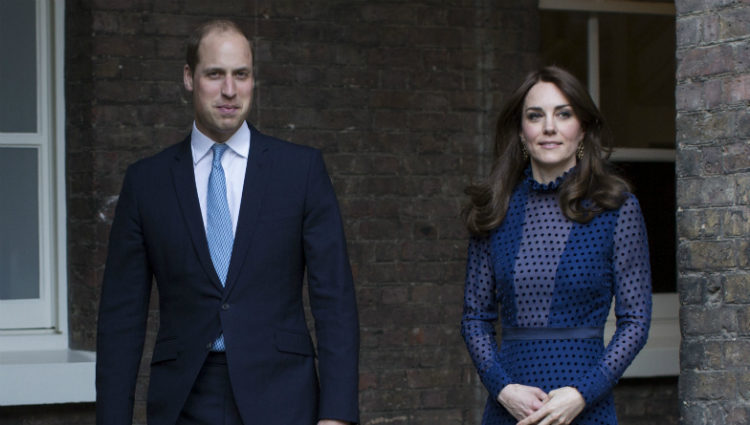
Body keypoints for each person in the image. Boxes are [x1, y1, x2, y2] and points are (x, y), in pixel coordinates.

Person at [96, 20, 359, 425]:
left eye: (242, 74)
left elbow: (335, 301)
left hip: (283, 397)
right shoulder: (147, 182)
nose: (230, 91)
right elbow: (121, 317)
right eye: (215, 74)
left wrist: (337, 416)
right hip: (183, 400)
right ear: (189, 78)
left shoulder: (300, 170)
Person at [461, 66, 652, 425]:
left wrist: (583, 393)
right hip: (510, 409)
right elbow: (475, 317)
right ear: (521, 131)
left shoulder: (616, 209)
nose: (549, 127)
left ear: (581, 129)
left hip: (584, 406)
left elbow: (636, 322)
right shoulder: (494, 208)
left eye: (563, 114)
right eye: (536, 116)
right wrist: (502, 389)